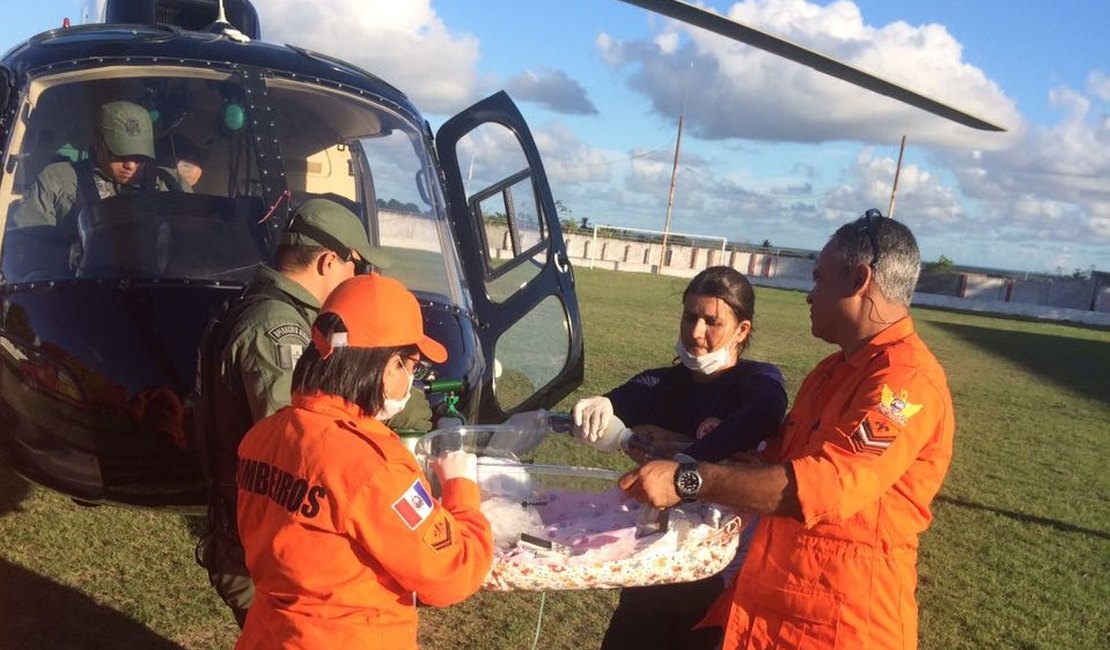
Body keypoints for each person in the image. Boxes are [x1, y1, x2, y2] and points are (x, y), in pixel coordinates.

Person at [618, 210, 955, 649]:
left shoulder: (904, 383)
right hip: (775, 615)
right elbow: (774, 460)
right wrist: (682, 449)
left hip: (841, 625)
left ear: (859, 278)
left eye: (818, 279)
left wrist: (689, 479)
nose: (809, 296)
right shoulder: (832, 372)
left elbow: (830, 485)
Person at [194, 197, 433, 626]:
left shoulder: (261, 306)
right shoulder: (277, 328)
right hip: (268, 550)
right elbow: (301, 449)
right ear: (327, 262)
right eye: (355, 267)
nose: (359, 278)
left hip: (259, 538)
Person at [235, 273, 493, 649]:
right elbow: (452, 572)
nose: (412, 380)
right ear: (389, 366)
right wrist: (461, 488)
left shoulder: (263, 435)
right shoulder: (374, 467)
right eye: (414, 367)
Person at [572, 266, 788, 650]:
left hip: (716, 576)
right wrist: (602, 405)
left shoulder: (756, 383)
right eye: (690, 317)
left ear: (742, 331)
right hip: (653, 566)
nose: (696, 333)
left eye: (712, 321)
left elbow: (765, 413)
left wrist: (683, 460)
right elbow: (627, 398)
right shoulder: (661, 383)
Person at [11, 100, 190, 230]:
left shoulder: (172, 183)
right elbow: (29, 246)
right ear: (98, 143)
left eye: (139, 156)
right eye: (119, 154)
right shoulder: (57, 181)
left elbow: (193, 243)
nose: (130, 164)